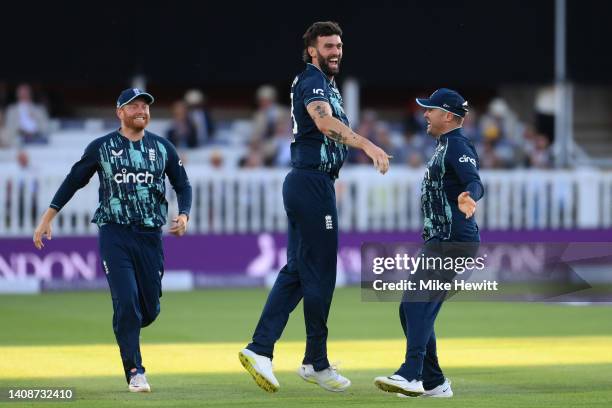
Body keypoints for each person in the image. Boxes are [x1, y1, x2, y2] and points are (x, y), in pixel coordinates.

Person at [238, 21, 390, 393]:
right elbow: (324, 123)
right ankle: (314, 362)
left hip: (312, 183)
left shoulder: (327, 84)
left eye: (338, 45)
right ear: (311, 50)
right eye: (327, 46)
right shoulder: (312, 80)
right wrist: (368, 145)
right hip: (310, 184)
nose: (335, 51)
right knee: (321, 273)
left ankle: (262, 348)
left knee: (299, 270)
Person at [32, 88, 192, 393]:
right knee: (127, 302)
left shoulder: (163, 148)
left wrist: (184, 214)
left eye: (145, 106)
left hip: (150, 237)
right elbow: (74, 180)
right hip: (114, 233)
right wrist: (47, 218)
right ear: (120, 112)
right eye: (134, 106)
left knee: (149, 309)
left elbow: (183, 184)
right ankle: (135, 371)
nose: (141, 110)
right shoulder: (102, 147)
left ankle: (125, 323)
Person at [374, 88, 484, 398]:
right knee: (410, 308)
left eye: (430, 109)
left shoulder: (457, 146)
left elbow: (474, 181)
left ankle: (411, 374)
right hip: (442, 239)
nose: (424, 113)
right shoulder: (443, 145)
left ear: (448, 116)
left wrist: (469, 196)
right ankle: (435, 382)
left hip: (453, 239)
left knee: (417, 303)